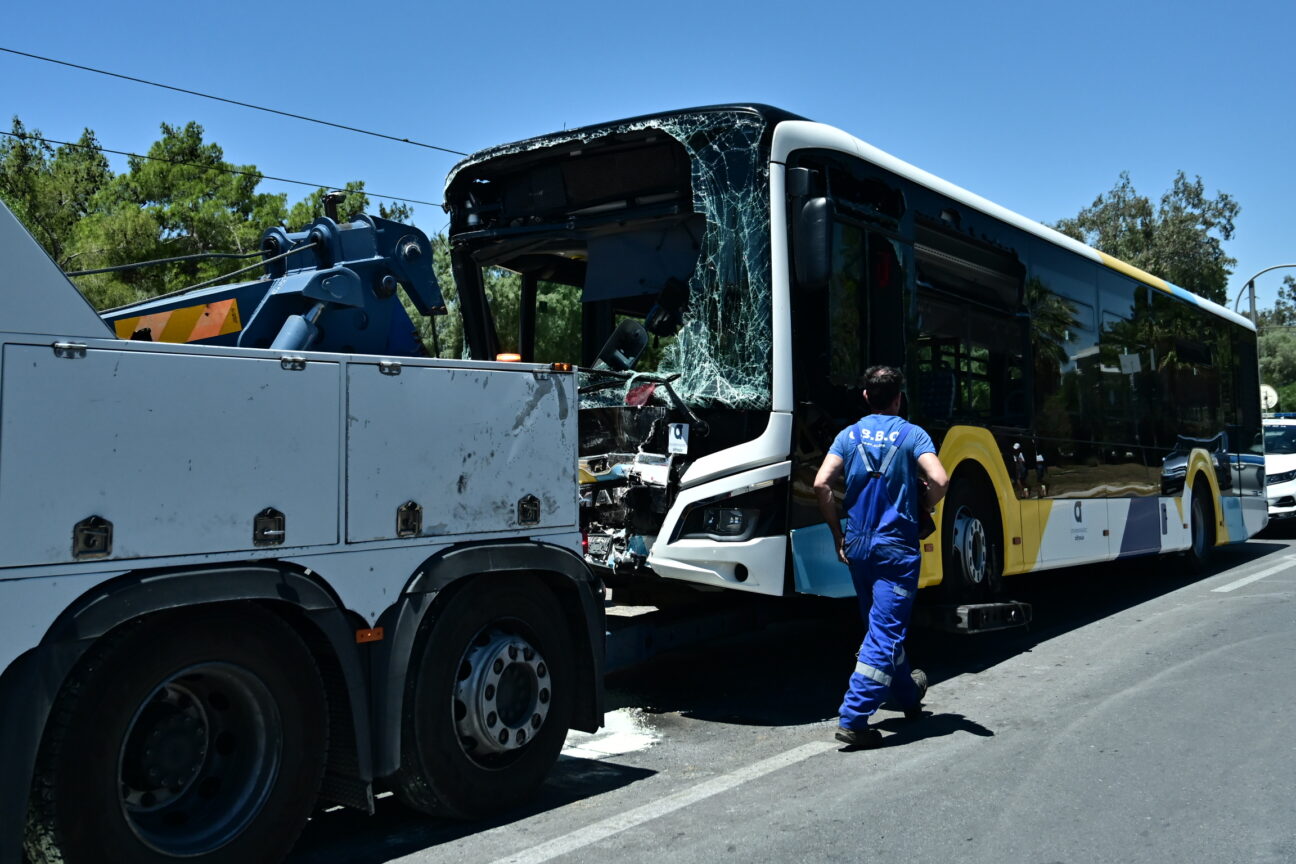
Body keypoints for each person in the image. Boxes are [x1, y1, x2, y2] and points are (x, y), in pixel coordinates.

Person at [813, 366, 949, 748]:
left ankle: (907, 695)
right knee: (885, 631)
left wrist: (837, 534)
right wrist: (925, 504)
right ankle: (854, 718)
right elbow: (940, 479)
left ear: (866, 397)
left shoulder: (848, 435)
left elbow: (821, 483)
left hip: (858, 546)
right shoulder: (913, 435)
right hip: (896, 549)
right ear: (899, 398)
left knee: (880, 627)